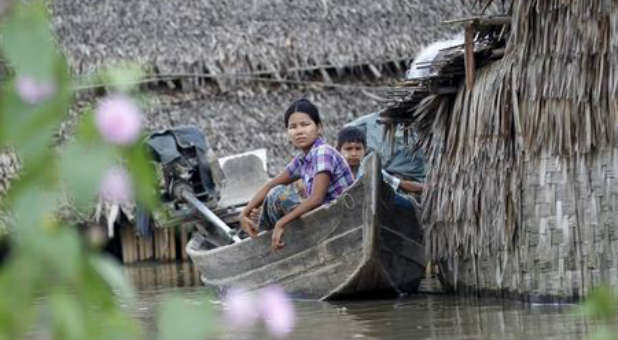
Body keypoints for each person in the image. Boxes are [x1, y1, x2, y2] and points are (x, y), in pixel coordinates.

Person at [240, 99, 355, 250]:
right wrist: (244, 213)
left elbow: (316, 199)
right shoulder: (302, 160)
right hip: (327, 218)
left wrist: (282, 223)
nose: (299, 131)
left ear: (319, 128)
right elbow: (271, 183)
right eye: (292, 127)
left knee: (279, 195)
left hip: (342, 218)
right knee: (275, 193)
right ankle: (262, 235)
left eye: (305, 125)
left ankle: (264, 240)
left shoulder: (323, 152)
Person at [336, 126, 426, 208]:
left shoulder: (369, 170)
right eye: (348, 149)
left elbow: (399, 183)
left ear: (365, 150)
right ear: (338, 150)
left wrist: (426, 188)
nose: (354, 153)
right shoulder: (335, 173)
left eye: (358, 148)